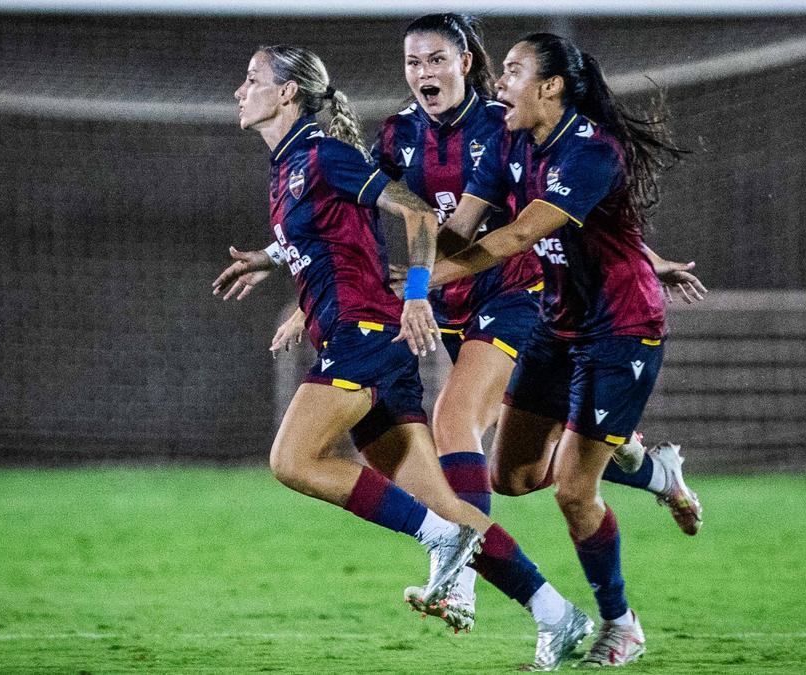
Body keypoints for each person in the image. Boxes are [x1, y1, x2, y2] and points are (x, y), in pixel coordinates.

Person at [269, 14, 708, 637]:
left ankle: (471, 581)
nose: (425, 73)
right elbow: (358, 215)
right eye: (413, 62)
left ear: (465, 63)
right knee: (514, 475)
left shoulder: (522, 132)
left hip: (522, 297)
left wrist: (650, 260)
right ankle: (645, 467)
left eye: (437, 60)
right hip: (476, 309)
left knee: (462, 424)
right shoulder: (406, 135)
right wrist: (334, 289)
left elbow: (546, 225)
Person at [212, 44, 592, 671]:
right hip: (362, 341)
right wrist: (270, 257)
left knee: (292, 459)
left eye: (250, 79)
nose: (238, 91)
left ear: (286, 94)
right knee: (448, 504)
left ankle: (441, 540)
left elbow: (414, 211)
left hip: (364, 336)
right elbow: (331, 233)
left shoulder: (321, 152)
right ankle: (558, 615)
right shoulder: (288, 166)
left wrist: (417, 291)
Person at [425, 33, 699, 667]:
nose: (500, 83)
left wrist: (423, 282)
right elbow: (460, 229)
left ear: (550, 87)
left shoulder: (593, 151)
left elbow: (521, 233)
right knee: (509, 477)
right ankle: (652, 471)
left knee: (574, 491)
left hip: (622, 329)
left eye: (514, 72)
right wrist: (406, 264)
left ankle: (619, 622)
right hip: (559, 322)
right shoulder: (510, 141)